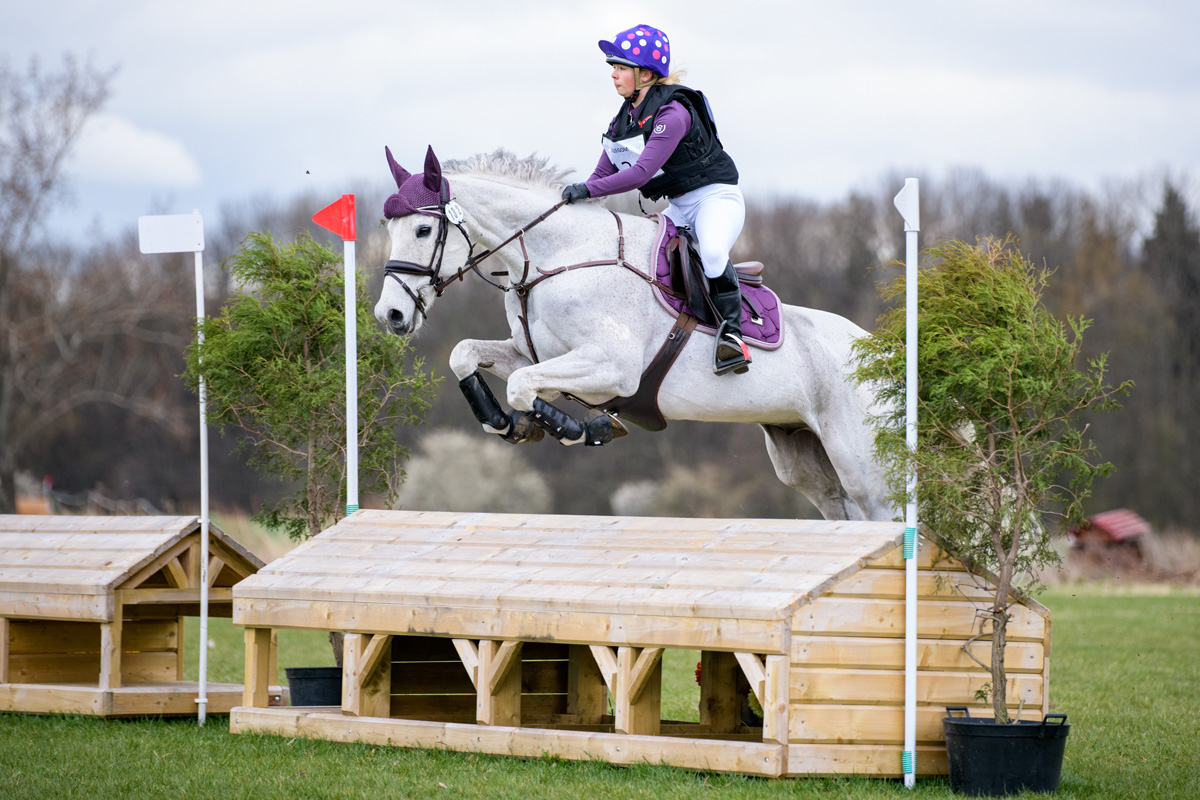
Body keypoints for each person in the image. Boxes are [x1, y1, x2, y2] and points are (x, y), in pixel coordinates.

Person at [562, 24, 751, 375]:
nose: (614, 75)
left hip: (716, 199)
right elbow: (601, 175)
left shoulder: (673, 112)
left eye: (621, 67)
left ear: (645, 74)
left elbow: (640, 175)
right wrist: (570, 204)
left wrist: (586, 191)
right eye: (613, 68)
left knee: (711, 252)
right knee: (635, 249)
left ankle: (733, 336)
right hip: (679, 206)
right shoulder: (624, 118)